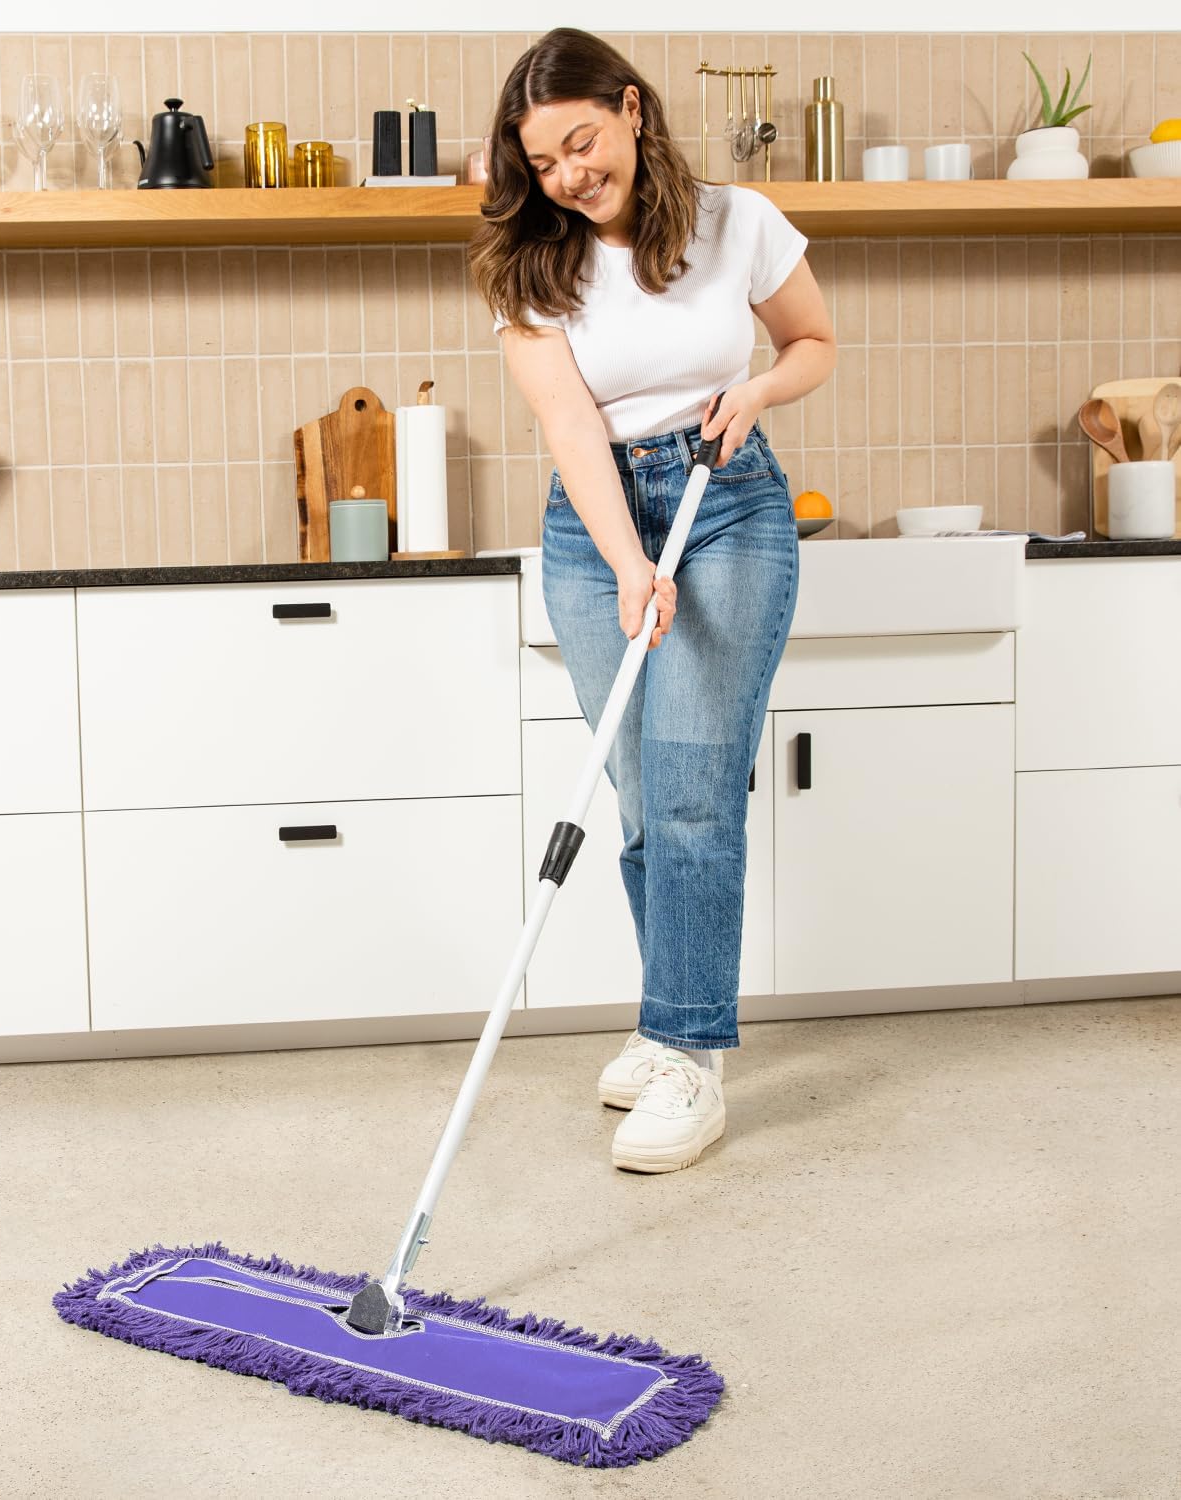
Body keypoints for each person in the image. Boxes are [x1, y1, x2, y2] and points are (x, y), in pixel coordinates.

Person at [470, 29, 836, 1174]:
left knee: (690, 795)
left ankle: (688, 1054)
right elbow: (570, 423)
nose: (568, 175)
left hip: (727, 505)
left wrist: (759, 390)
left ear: (631, 109)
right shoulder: (527, 267)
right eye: (543, 163)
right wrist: (629, 563)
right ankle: (667, 1013)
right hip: (594, 532)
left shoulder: (739, 224)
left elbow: (814, 341)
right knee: (635, 794)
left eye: (582, 142)